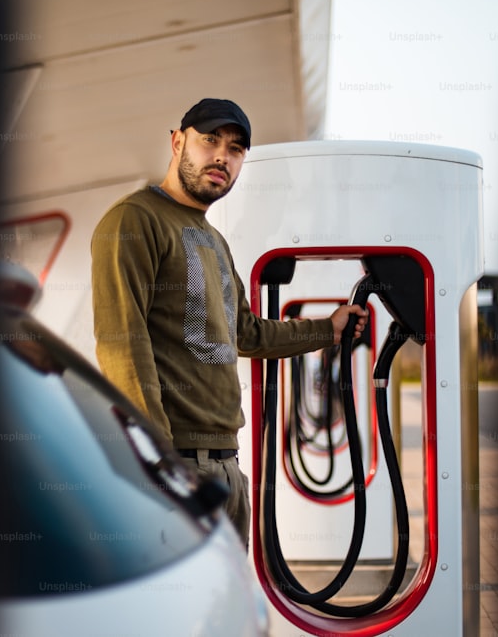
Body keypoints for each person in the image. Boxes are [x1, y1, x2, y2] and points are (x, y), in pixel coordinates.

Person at [90, 98, 367, 547]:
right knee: (181, 613)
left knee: (226, 612)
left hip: (226, 468)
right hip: (178, 462)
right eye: (210, 140)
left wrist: (327, 329)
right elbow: (123, 343)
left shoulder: (213, 239)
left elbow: (246, 333)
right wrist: (159, 467)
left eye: (236, 148)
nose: (222, 155)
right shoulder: (135, 220)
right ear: (177, 142)